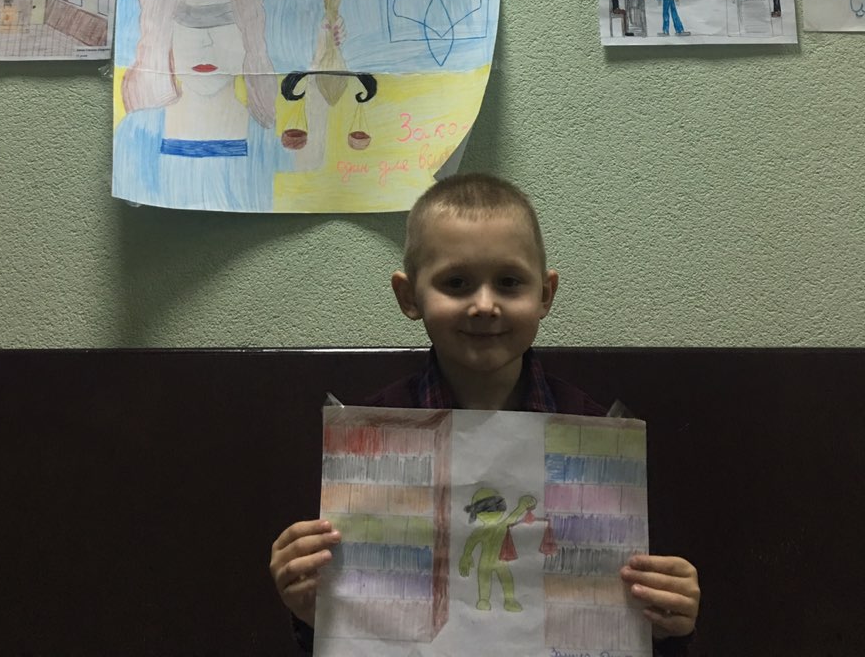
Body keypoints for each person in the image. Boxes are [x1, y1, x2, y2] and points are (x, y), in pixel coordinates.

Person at [270, 174, 701, 654]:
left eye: (509, 282)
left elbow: (620, 614)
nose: (484, 305)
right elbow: (358, 628)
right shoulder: (368, 442)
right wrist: (313, 613)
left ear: (545, 294)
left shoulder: (597, 437)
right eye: (456, 283)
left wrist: (665, 626)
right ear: (409, 297)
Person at [113, 0, 288, 211]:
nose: (205, 40)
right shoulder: (136, 133)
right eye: (187, 19)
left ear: (247, 29)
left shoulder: (265, 139)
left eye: (223, 17)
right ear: (162, 31)